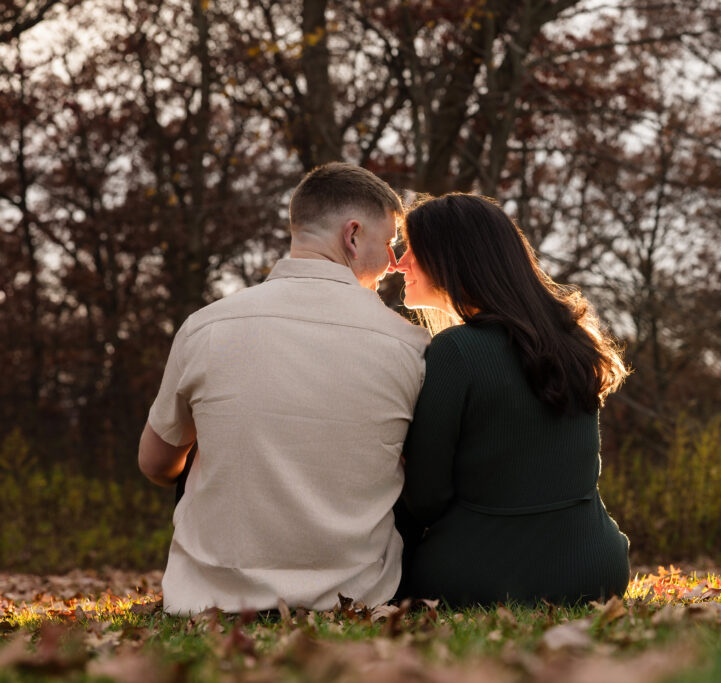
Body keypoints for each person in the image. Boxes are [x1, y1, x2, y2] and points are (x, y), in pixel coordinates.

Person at [138, 162, 430, 614]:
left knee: (193, 440)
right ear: (352, 236)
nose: (394, 262)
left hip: (212, 601)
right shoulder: (411, 345)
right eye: (389, 242)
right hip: (355, 597)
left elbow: (155, 464)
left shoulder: (206, 326)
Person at [393, 193, 630, 607]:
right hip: (598, 571)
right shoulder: (572, 339)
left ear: (451, 256)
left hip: (479, 577)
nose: (400, 262)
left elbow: (426, 500)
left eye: (412, 248)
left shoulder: (456, 351)